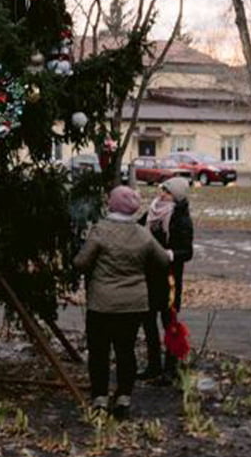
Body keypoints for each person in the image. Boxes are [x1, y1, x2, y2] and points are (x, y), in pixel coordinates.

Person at [73, 185, 169, 417]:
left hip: (102, 304)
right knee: (126, 350)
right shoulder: (142, 234)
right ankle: (124, 398)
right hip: (134, 304)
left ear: (112, 204)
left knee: (99, 352)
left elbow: (81, 263)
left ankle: (100, 398)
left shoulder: (100, 231)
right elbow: (163, 261)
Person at [139, 176, 195, 383]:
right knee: (147, 320)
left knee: (169, 322)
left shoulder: (181, 218)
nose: (161, 194)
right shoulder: (151, 212)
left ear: (177, 196)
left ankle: (170, 369)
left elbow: (187, 252)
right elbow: (137, 231)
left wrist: (169, 254)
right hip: (148, 275)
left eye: (167, 192)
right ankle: (153, 365)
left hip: (169, 278)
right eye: (162, 190)